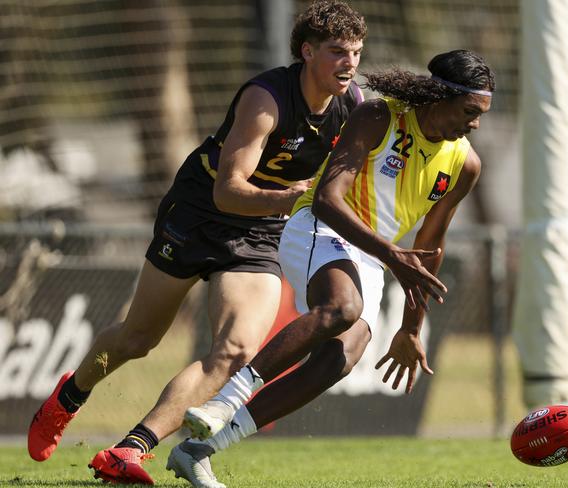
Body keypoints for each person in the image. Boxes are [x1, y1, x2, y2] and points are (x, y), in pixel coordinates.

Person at [26, 1, 367, 484]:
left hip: (264, 230)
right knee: (136, 339)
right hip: (201, 211)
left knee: (235, 352)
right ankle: (69, 397)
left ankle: (130, 450)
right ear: (307, 52)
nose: (349, 62)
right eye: (337, 51)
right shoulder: (266, 97)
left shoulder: (352, 105)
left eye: (356, 52)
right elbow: (229, 190)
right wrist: (290, 198)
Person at [171, 49, 495, 488]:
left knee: (338, 360)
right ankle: (223, 402)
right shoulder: (378, 117)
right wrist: (391, 253)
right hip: (317, 227)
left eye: (481, 115)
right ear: (439, 96)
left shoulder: (465, 164)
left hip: (372, 255)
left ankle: (197, 451)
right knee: (343, 307)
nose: (475, 123)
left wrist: (411, 329)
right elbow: (327, 197)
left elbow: (427, 250)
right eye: (470, 111)